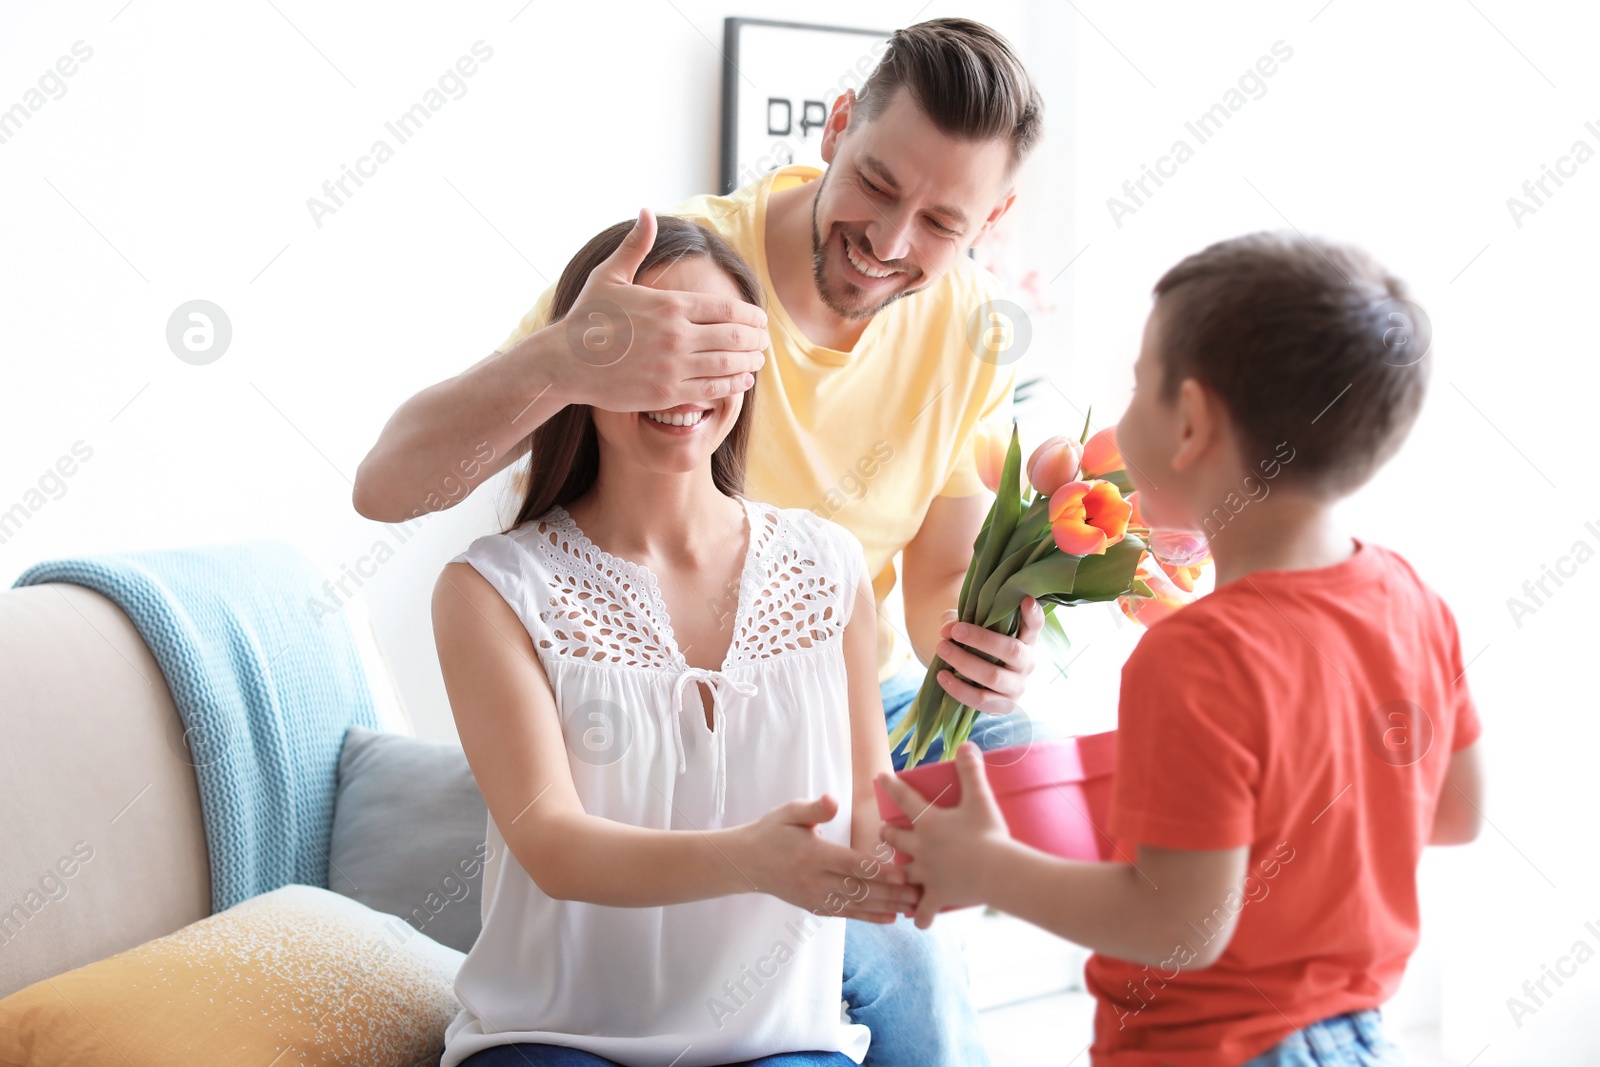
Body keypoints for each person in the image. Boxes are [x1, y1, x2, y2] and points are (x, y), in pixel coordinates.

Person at [361, 18, 1047, 1066]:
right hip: (625, 686)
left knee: (942, 931)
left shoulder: (962, 333)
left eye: (941, 221)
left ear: (990, 221)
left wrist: (982, 642)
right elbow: (389, 486)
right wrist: (568, 356)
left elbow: (934, 584)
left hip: (830, 677)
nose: (891, 240)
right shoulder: (669, 274)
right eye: (875, 182)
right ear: (836, 124)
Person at [877, 231, 1486, 1067]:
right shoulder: (1414, 600)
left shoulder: (1196, 654)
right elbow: (1455, 812)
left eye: (1138, 389)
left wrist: (985, 867)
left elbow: (1178, 926)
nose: (1121, 420)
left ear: (1192, 423)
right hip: (1356, 1036)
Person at [433, 215, 918, 1067]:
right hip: (555, 1038)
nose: (682, 378)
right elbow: (550, 843)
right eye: (649, 345)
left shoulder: (829, 568)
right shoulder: (492, 589)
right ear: (580, 364)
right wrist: (751, 860)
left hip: (781, 1043)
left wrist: (942, 854)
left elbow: (871, 810)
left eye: (713, 344)